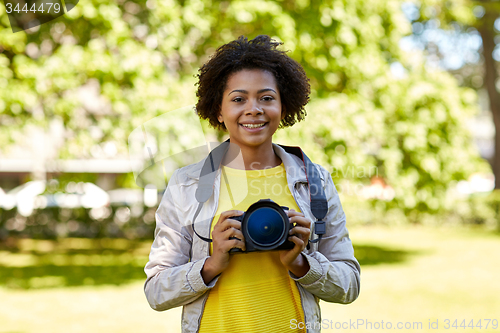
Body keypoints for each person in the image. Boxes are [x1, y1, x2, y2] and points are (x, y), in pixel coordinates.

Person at [144, 35, 360, 333]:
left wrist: (302, 264)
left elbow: (349, 285)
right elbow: (156, 291)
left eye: (267, 98)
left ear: (283, 107)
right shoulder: (188, 184)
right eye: (238, 99)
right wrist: (212, 263)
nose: (254, 109)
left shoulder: (315, 181)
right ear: (218, 110)